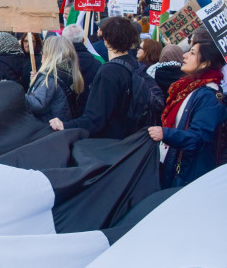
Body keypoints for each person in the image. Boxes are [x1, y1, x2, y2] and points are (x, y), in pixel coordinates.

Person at [148, 40, 227, 188]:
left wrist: (165, 133)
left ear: (204, 64)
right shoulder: (190, 87)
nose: (184, 56)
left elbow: (197, 138)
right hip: (175, 164)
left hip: (188, 174)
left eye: (192, 53)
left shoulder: (209, 97)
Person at [50, 16, 140, 138]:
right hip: (128, 138)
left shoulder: (108, 71)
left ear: (106, 40)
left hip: (108, 142)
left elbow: (96, 118)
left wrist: (65, 125)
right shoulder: (134, 64)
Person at [26, 36, 84, 123]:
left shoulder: (50, 78)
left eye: (44, 52)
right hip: (62, 124)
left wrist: (16, 94)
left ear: (51, 55)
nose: (42, 54)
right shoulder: (68, 72)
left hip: (48, 128)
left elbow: (36, 105)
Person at [61, 24, 102, 111]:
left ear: (64, 42)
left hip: (66, 115)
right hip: (90, 112)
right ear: (83, 40)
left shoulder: (59, 65)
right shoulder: (97, 64)